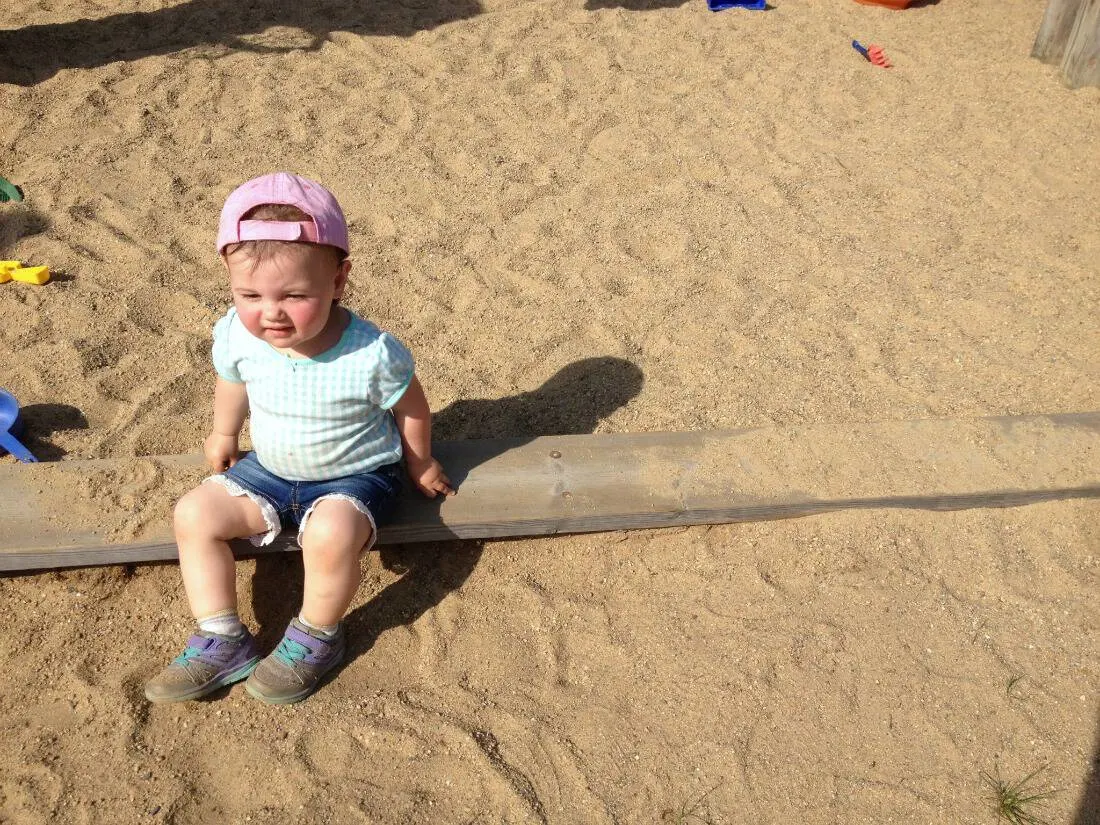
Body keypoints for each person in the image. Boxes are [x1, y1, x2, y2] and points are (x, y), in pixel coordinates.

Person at [145, 172, 454, 705]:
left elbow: (412, 407)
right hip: (268, 469)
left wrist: (420, 463)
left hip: (354, 473)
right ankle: (222, 637)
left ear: (337, 281)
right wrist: (224, 431)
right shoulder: (239, 333)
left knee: (329, 536)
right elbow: (233, 380)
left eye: (294, 295)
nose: (271, 312)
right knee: (193, 515)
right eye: (250, 294)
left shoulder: (371, 353)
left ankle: (316, 635)